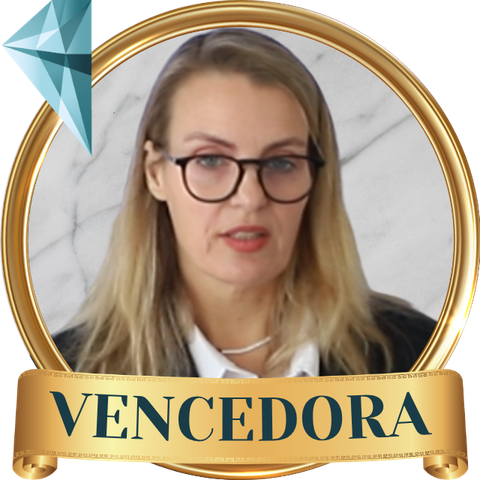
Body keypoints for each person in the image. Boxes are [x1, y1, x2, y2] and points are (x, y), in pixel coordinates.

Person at [53, 28, 436, 378]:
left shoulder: (420, 358)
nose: (250, 198)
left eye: (282, 162)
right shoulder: (66, 375)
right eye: (210, 160)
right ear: (155, 173)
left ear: (316, 177)